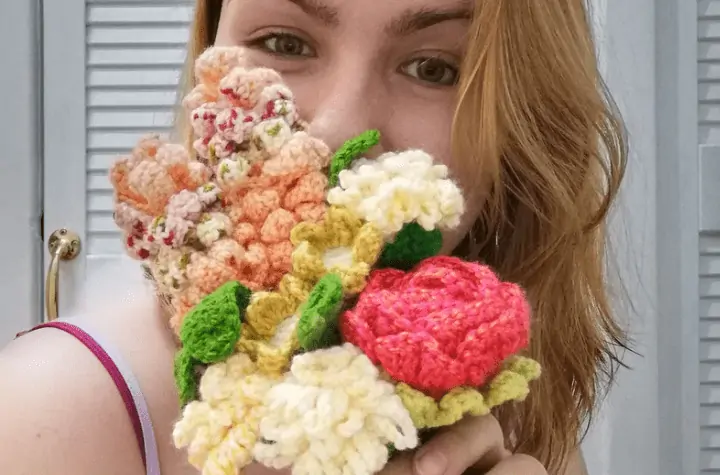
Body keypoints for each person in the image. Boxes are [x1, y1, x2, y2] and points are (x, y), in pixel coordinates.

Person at [0, 0, 627, 474]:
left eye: (435, 68)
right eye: (283, 42)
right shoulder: (50, 411)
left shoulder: (514, 400)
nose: (337, 130)